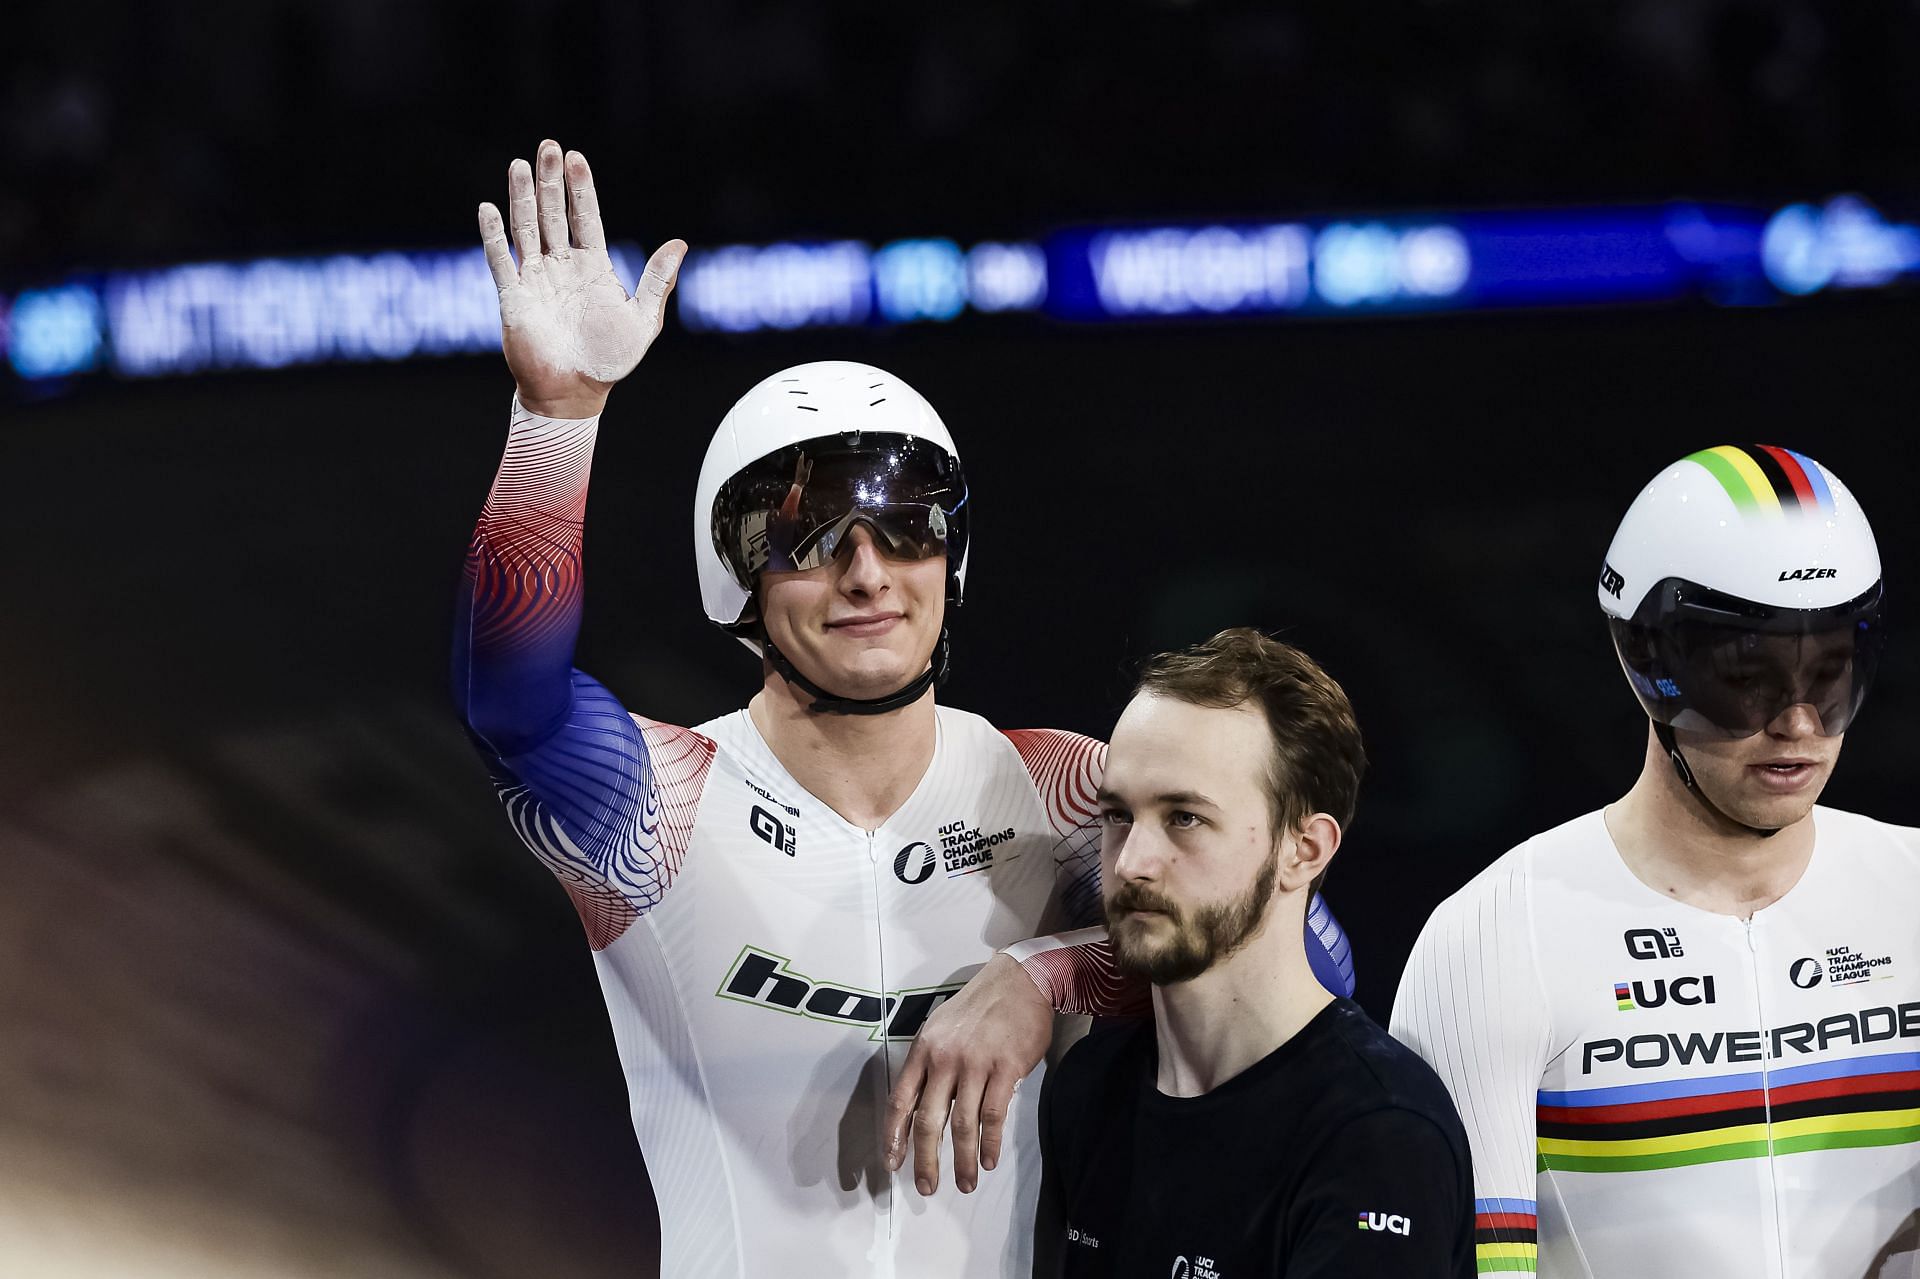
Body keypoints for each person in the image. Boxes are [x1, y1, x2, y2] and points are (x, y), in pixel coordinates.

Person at [454, 138, 1353, 1278]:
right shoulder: (663, 807)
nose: (869, 573)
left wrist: (1051, 974)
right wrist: (558, 417)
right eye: (809, 535)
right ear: (735, 575)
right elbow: (513, 704)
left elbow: (1311, 966)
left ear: (953, 557)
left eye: (909, 525)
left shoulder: (1060, 790)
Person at [1390, 444, 1919, 1278]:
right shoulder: (1493, 935)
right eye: (1748, 676)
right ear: (1650, 663)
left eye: (1831, 675)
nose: (1799, 723)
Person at [1038, 629, 1474, 1278]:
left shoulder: (1378, 1132)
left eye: (1184, 816)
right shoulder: (1087, 1088)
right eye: (1118, 815)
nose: (1130, 863)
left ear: (1304, 849)